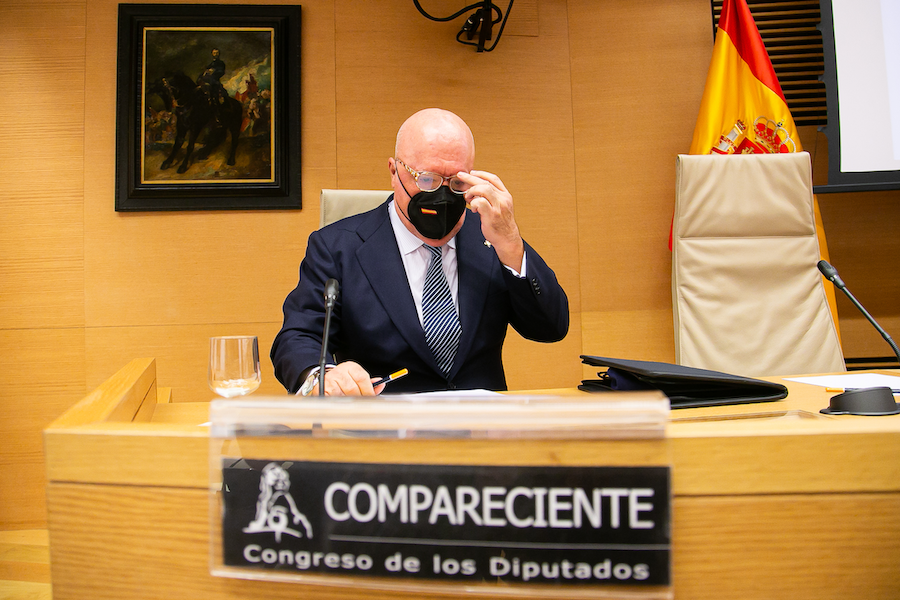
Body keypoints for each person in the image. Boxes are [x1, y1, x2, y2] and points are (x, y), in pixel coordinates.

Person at [271, 108, 569, 396]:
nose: (440, 194)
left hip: (481, 432)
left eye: (455, 182)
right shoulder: (338, 247)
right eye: (426, 179)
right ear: (394, 170)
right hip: (384, 432)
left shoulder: (491, 237)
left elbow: (550, 328)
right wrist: (324, 375)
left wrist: (510, 243)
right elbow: (297, 338)